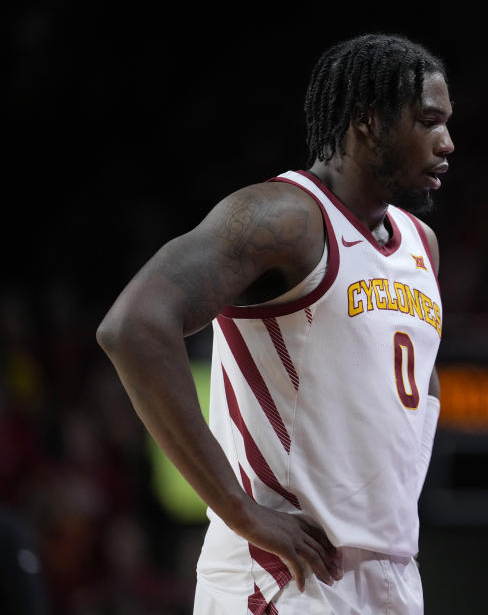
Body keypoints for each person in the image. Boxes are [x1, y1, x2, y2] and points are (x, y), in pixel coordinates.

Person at [97, 33, 454, 615]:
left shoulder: (421, 245)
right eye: (429, 121)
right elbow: (133, 326)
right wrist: (240, 511)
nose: (447, 142)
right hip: (281, 572)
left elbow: (412, 386)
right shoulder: (283, 217)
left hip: (391, 571)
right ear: (367, 120)